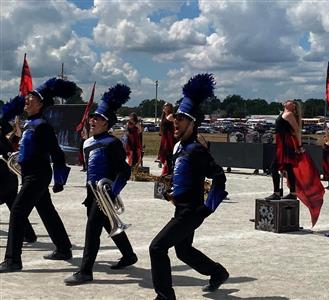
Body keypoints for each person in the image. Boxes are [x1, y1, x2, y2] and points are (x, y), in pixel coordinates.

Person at [149, 74, 229, 300]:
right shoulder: (178, 147)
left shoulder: (196, 150)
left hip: (191, 211)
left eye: (182, 119)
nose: (176, 122)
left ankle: (165, 296)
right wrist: (171, 189)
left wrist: (208, 208)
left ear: (192, 123)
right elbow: (182, 174)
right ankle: (218, 272)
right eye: (175, 118)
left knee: (157, 248)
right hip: (180, 207)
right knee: (183, 251)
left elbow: (220, 177)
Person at [64, 84, 138, 285]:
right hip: (91, 192)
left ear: (107, 124)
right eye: (93, 117)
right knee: (107, 223)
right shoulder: (88, 143)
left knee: (92, 229)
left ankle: (85, 271)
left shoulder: (112, 143)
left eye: (98, 119)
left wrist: (112, 192)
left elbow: (124, 171)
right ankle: (129, 255)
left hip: (105, 192)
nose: (93, 120)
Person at [0, 78, 75, 273]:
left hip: (37, 175)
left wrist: (59, 180)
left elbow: (57, 153)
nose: (26, 101)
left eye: (31, 99)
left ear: (41, 104)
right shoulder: (30, 124)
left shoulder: (42, 125)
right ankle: (64, 248)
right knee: (47, 211)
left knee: (17, 212)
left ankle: (12, 260)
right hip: (29, 173)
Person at [0, 118, 37, 243]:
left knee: (16, 208)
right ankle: (29, 234)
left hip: (3, 181)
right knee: (16, 209)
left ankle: (29, 234)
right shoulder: (4, 140)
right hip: (9, 181)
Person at [266, 100, 303, 200]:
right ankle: (293, 193)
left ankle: (277, 193)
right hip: (281, 143)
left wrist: (299, 145)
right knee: (288, 168)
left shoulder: (289, 114)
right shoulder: (283, 113)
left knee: (274, 167)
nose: (287, 101)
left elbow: (297, 130)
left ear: (292, 106)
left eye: (290, 102)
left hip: (285, 144)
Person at [157, 102, 175, 175]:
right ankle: (167, 170)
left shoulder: (171, 116)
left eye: (166, 106)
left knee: (169, 152)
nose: (164, 107)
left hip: (170, 137)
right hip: (165, 137)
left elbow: (176, 124)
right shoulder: (164, 115)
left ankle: (170, 170)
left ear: (169, 108)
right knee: (165, 153)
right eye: (164, 106)